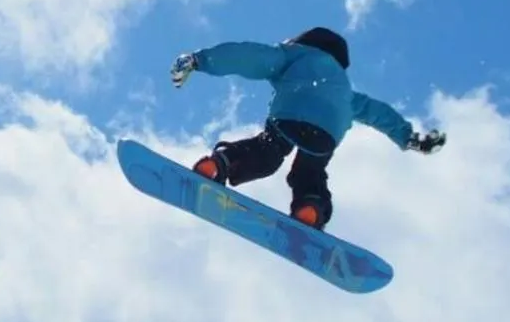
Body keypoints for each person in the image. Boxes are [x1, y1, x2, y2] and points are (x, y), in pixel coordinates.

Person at [170, 26, 444, 229]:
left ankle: (219, 166)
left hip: (290, 114)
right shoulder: (345, 90)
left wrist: (199, 60)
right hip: (328, 130)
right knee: (309, 171)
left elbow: (247, 56)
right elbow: (379, 113)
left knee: (266, 151)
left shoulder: (292, 56)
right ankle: (309, 207)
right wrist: (410, 138)